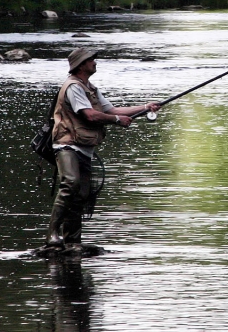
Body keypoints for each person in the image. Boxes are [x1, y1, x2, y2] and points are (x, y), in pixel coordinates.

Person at [45, 47, 161, 249]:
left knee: (81, 194)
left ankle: (73, 241)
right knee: (70, 183)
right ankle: (52, 234)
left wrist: (145, 107)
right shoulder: (73, 87)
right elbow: (90, 115)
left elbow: (113, 110)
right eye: (91, 60)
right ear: (81, 65)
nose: (95, 62)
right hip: (67, 145)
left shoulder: (90, 88)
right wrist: (117, 120)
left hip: (84, 148)